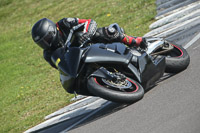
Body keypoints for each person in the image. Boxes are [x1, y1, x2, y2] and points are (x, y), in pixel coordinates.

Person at [31, 18, 147, 69]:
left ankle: (135, 41)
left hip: (90, 42)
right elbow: (62, 69)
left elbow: (89, 22)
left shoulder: (64, 23)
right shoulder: (48, 54)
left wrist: (86, 34)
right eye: (42, 43)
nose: (46, 44)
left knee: (105, 32)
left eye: (47, 39)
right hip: (79, 59)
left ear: (52, 31)